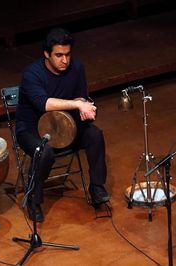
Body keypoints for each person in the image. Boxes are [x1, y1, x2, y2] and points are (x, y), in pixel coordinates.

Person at [16, 28, 110, 222]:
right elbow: (44, 104)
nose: (64, 60)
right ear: (46, 54)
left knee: (95, 135)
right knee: (45, 152)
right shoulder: (32, 74)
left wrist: (85, 107)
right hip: (32, 129)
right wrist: (76, 104)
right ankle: (34, 200)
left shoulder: (76, 68)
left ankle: (97, 188)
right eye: (59, 55)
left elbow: (80, 96)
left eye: (67, 55)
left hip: (65, 126)